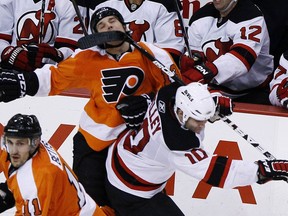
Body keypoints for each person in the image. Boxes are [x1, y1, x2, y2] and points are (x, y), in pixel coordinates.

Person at [0, 6, 182, 214]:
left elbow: (179, 94)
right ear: (96, 36)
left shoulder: (154, 55)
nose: (108, 26)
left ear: (124, 26)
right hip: (94, 144)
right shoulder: (88, 58)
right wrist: (23, 82)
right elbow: (54, 78)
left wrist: (148, 101)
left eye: (112, 21)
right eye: (101, 26)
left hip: (136, 147)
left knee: (136, 202)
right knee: (92, 206)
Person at [105, 81, 288, 216]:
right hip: (130, 191)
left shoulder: (168, 96)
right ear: (182, 113)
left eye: (204, 119)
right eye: (197, 120)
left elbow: (188, 91)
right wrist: (264, 170)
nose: (202, 125)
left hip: (123, 158)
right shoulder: (175, 144)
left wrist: (212, 104)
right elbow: (221, 173)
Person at [0, 113, 106, 215]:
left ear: (35, 142)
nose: (13, 151)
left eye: (20, 144)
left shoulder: (38, 179)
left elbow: (30, 184)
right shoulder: (32, 148)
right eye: (10, 142)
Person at [180, 0, 274, 104]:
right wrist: (192, 64)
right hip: (215, 89)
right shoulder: (201, 16)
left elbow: (242, 59)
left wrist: (207, 70)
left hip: (253, 92)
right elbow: (196, 57)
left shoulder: (250, 15)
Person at [86, 0, 186, 65]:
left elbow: (170, 51)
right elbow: (94, 48)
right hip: (108, 66)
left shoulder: (165, 4)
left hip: (149, 69)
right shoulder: (100, 3)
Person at [0, 0, 86, 72]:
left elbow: (74, 51)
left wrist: (54, 55)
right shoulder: (7, 1)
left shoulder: (71, 3)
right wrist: (10, 53)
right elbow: (2, 38)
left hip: (53, 76)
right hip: (10, 70)